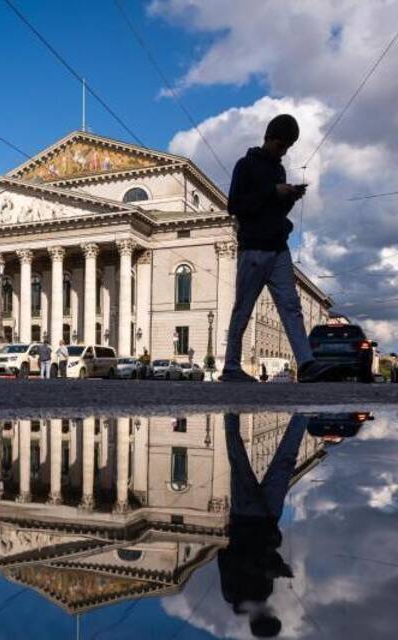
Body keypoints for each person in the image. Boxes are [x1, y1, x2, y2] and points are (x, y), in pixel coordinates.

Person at [221, 114, 332, 383]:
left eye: (288, 147)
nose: (283, 151)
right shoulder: (245, 165)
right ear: (269, 138)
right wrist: (273, 192)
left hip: (279, 247)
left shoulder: (279, 170)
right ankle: (231, 367)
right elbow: (235, 205)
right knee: (243, 307)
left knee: (291, 306)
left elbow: (275, 210)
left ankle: (306, 363)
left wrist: (290, 197)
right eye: (281, 145)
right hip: (254, 247)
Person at [218, 413, 306, 638]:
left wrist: (267, 569)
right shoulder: (265, 593)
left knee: (238, 459)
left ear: (263, 619)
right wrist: (276, 565)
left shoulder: (233, 595)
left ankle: (231, 409)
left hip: (245, 515)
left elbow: (227, 556)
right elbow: (265, 554)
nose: (273, 611)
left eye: (271, 616)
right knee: (285, 462)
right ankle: (304, 413)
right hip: (268, 517)